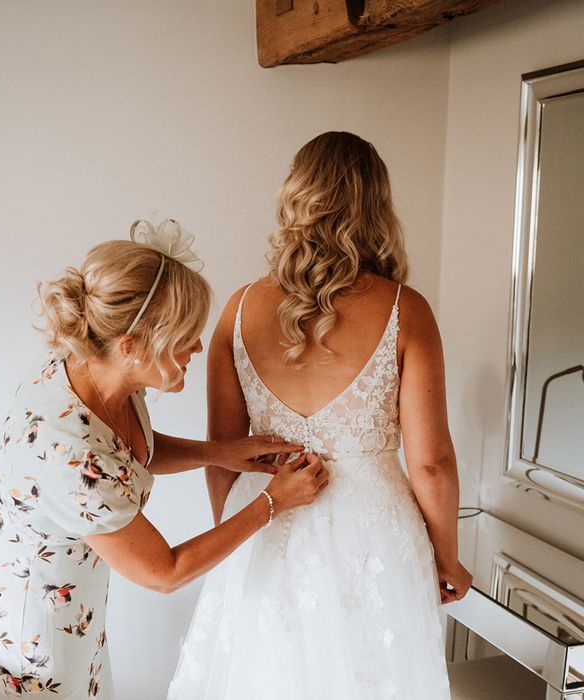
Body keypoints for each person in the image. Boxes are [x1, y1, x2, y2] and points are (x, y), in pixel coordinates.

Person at [0, 219, 329, 700]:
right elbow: (165, 571)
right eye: (185, 337)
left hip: (70, 595)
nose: (197, 347)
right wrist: (272, 503)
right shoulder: (66, 450)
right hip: (34, 624)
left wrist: (222, 452)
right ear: (132, 346)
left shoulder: (99, 368)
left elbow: (126, 454)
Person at [168, 132, 472, 699]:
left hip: (262, 518)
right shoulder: (407, 310)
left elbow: (222, 453)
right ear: (377, 207)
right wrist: (447, 558)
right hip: (373, 534)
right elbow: (431, 462)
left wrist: (236, 533)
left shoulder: (238, 308)